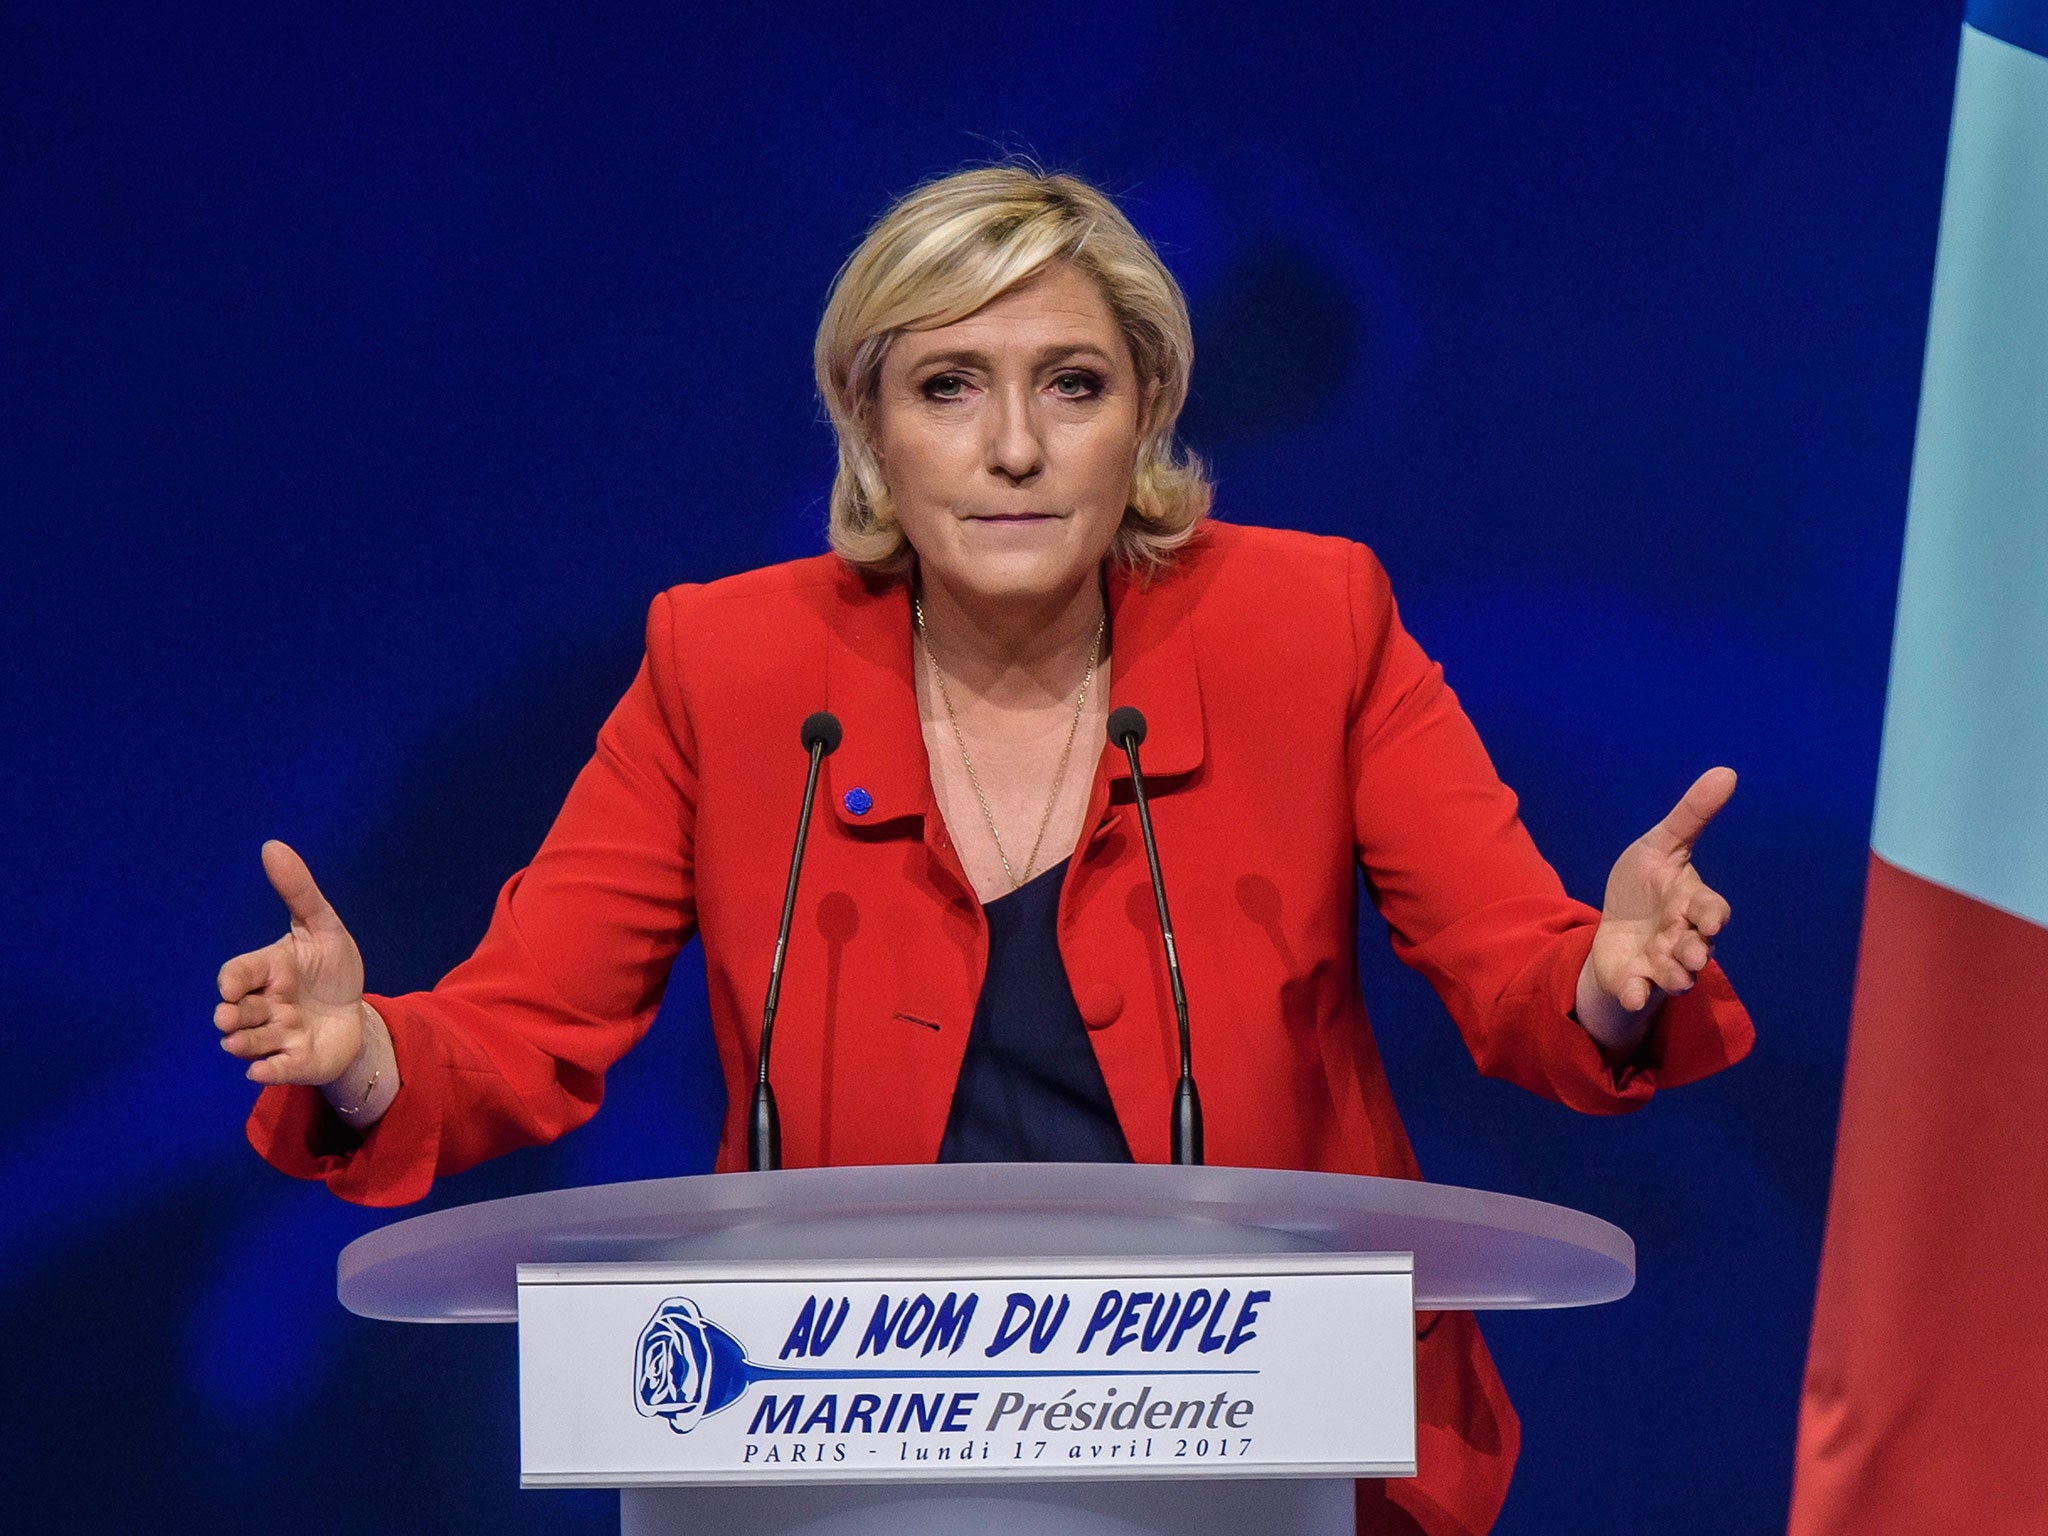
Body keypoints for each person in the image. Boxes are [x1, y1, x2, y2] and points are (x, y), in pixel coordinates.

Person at [214, 165, 1752, 1535]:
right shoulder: (728, 664)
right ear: (866, 422)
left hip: (1264, 1442)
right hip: (840, 1441)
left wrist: (1611, 976)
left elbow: (1517, 970)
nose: (1013, 446)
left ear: (1149, 416)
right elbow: (522, 1025)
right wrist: (364, 1057)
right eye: (950, 388)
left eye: (1070, 387)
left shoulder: (1314, 628)